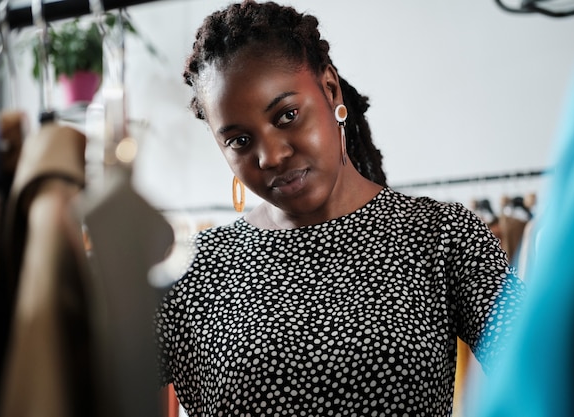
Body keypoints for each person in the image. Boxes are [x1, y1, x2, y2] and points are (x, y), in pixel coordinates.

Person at [154, 1, 526, 416]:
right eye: (240, 141)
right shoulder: (191, 274)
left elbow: (551, 371)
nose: (272, 156)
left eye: (287, 115)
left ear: (329, 89)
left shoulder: (439, 237)